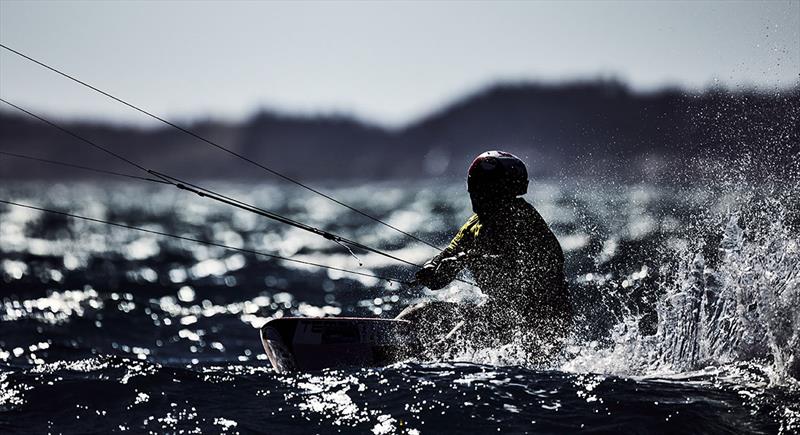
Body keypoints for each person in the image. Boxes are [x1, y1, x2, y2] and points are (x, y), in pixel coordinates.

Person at [397, 151, 571, 361]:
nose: (478, 195)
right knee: (417, 313)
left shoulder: (522, 218)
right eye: (477, 188)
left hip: (538, 320)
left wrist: (465, 259)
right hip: (499, 310)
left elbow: (524, 267)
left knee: (459, 335)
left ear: (503, 191)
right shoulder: (475, 224)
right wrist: (432, 268)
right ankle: (388, 344)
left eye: (486, 189)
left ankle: (422, 360)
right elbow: (448, 258)